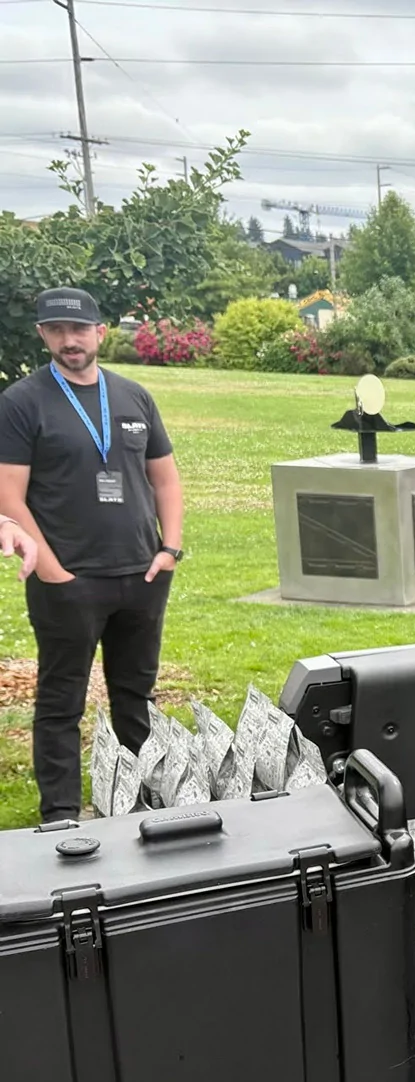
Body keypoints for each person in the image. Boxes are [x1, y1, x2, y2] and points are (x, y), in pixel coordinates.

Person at [0, 287, 185, 823]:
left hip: (142, 573)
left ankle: (140, 803)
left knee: (137, 697)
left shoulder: (133, 397)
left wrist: (168, 548)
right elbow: (9, 494)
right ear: (43, 335)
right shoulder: (21, 402)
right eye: (56, 330)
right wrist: (52, 567)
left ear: (101, 332)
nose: (69, 340)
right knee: (62, 702)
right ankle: (60, 813)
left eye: (79, 330)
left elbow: (165, 479)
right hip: (67, 580)